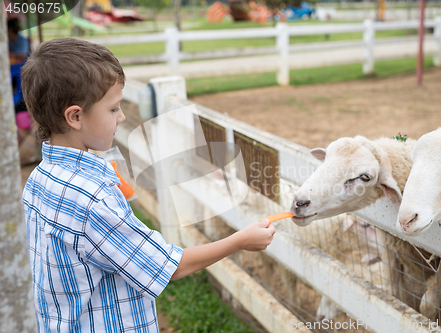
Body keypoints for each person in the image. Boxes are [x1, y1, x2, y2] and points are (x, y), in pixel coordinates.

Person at [21, 38, 275, 332]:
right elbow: (169, 267)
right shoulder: (93, 198)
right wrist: (240, 241)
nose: (122, 116)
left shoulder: (39, 180)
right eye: (114, 109)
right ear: (75, 116)